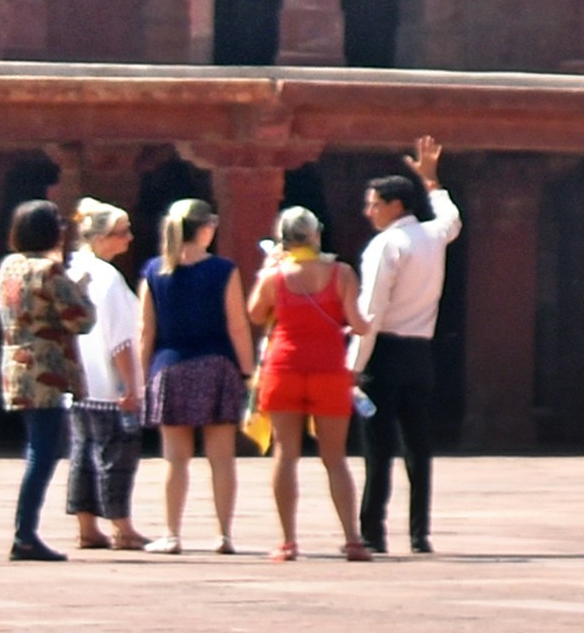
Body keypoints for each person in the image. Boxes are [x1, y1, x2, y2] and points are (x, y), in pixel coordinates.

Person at [348, 149, 459, 560]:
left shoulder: (387, 244)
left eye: (374, 204)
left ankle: (373, 532)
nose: (369, 211)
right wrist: (432, 180)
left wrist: (352, 366)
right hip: (420, 354)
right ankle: (419, 534)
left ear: (395, 205)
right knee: (418, 447)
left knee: (378, 448)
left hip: (386, 353)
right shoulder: (431, 236)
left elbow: (371, 312)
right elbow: (452, 220)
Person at [247, 207, 361, 566]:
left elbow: (254, 313)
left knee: (285, 454)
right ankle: (353, 538)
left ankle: (288, 541)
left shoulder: (275, 277)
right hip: (328, 367)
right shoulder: (341, 273)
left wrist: (267, 270)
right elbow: (358, 323)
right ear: (316, 234)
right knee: (335, 458)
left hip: (285, 367)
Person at [140, 196, 241, 558]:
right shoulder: (224, 270)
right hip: (216, 364)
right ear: (204, 229)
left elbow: (145, 331)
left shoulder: (154, 271)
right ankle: (224, 534)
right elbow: (237, 326)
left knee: (175, 459)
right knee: (222, 459)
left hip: (170, 367)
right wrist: (247, 371)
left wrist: (141, 379)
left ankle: (171, 533)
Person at [0, 196, 87, 566]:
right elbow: (81, 319)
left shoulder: (9, 267)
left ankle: (26, 532)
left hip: (16, 363)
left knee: (39, 445)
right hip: (45, 365)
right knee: (43, 451)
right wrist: (78, 285)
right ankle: (25, 533)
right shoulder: (48, 271)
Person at [59, 204, 144, 555]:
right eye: (121, 232)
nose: (130, 238)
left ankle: (86, 525)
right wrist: (129, 384)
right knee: (116, 455)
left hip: (77, 383)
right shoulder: (107, 278)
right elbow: (120, 339)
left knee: (83, 453)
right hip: (107, 384)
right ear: (99, 238)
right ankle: (122, 526)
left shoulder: (70, 270)